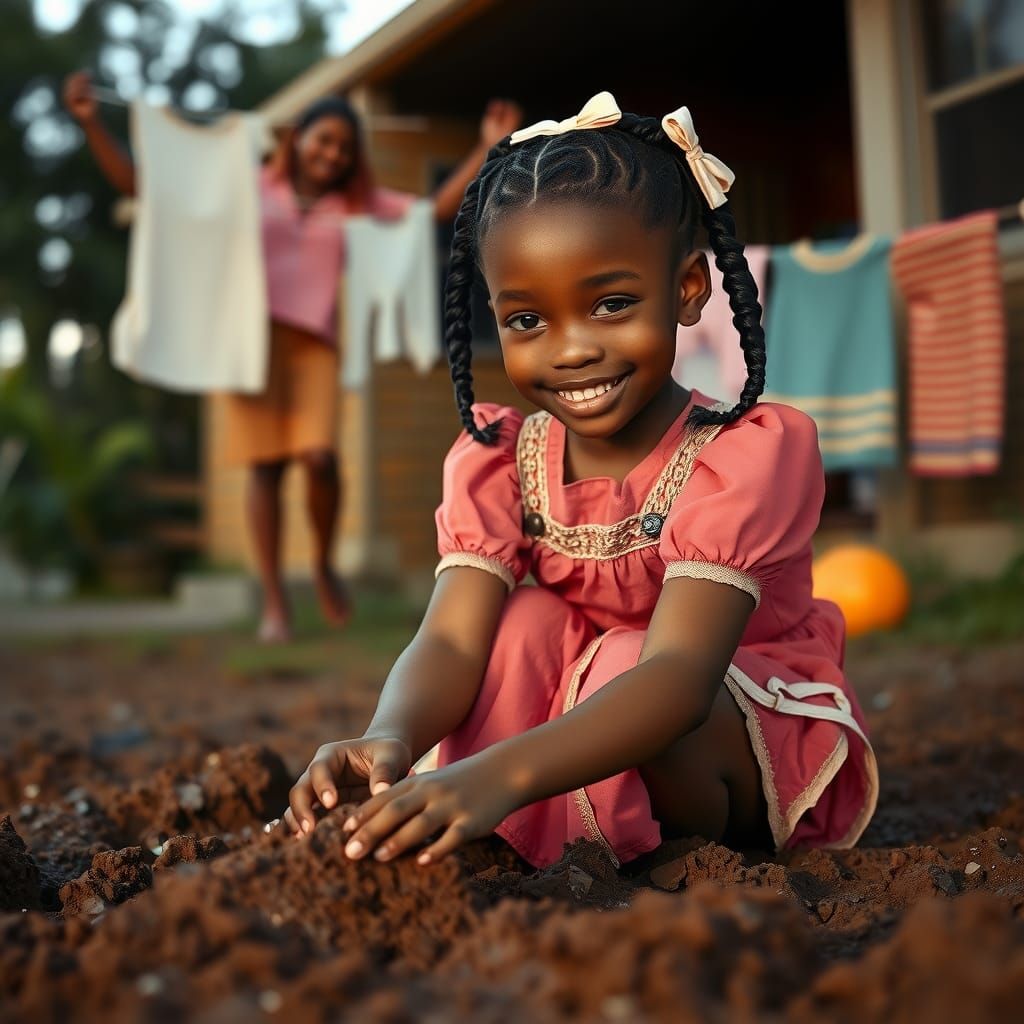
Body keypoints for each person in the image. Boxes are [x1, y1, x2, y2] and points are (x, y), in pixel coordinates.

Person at [282, 92, 878, 868]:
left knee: (627, 661)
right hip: (564, 734)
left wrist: (495, 774)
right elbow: (454, 638)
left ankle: (624, 845)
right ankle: (531, 833)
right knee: (521, 622)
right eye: (528, 320)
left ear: (689, 289)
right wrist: (386, 735)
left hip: (727, 735)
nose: (570, 351)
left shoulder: (743, 457)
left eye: (611, 304)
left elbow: (677, 678)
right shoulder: (502, 457)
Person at [63, 71, 522, 642]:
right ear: (297, 138)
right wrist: (90, 124)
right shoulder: (248, 183)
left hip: (314, 346)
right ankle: (275, 602)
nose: (330, 155)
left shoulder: (356, 204)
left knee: (320, 458)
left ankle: (324, 562)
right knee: (264, 470)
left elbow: (429, 211)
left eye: (343, 148)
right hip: (247, 341)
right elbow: (147, 190)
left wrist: (484, 146)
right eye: (322, 140)